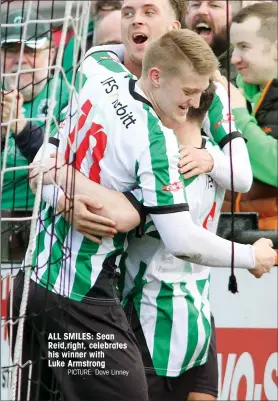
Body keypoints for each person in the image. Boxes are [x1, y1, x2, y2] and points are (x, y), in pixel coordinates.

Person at [30, 23, 276, 401]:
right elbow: (146, 223)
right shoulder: (183, 151)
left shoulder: (99, 71)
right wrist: (249, 255)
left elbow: (120, 214)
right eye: (131, 12)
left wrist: (54, 172)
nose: (192, 102)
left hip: (142, 313)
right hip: (162, 315)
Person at [0, 8, 69, 261]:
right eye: (10, 51)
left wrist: (19, 126)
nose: (20, 60)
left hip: (50, 216)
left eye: (30, 50)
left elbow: (61, 162)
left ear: (50, 54)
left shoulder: (69, 95)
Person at [216, 1, 278, 229]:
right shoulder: (233, 92)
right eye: (234, 48)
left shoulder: (236, 105)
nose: (234, 59)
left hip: (272, 253)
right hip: (229, 247)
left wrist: (239, 116)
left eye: (244, 46)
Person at [185, 0, 238, 81]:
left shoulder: (245, 72)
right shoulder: (168, 61)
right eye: (196, 5)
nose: (201, 11)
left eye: (214, 5)